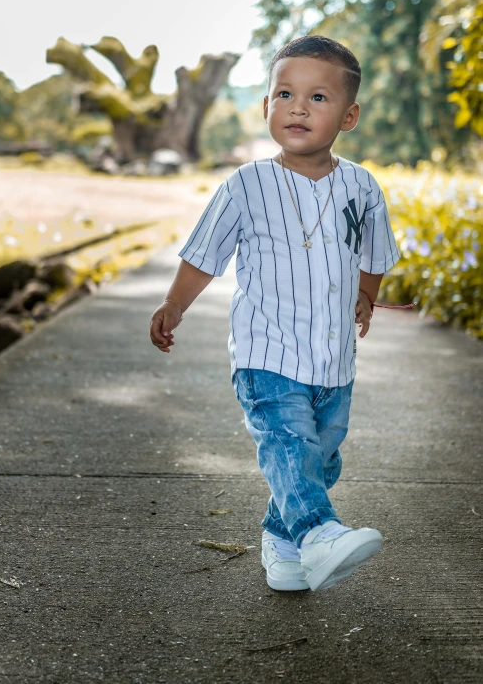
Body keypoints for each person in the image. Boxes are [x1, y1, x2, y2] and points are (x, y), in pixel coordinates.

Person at [149, 35, 401, 592]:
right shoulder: (246, 185)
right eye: (284, 93)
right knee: (288, 445)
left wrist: (366, 292)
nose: (297, 107)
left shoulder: (362, 187)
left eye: (318, 98)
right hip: (267, 355)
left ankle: (282, 543)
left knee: (317, 460)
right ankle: (318, 533)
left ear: (349, 115)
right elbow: (204, 255)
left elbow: (374, 252)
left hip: (334, 360)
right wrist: (174, 304)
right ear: (265, 106)